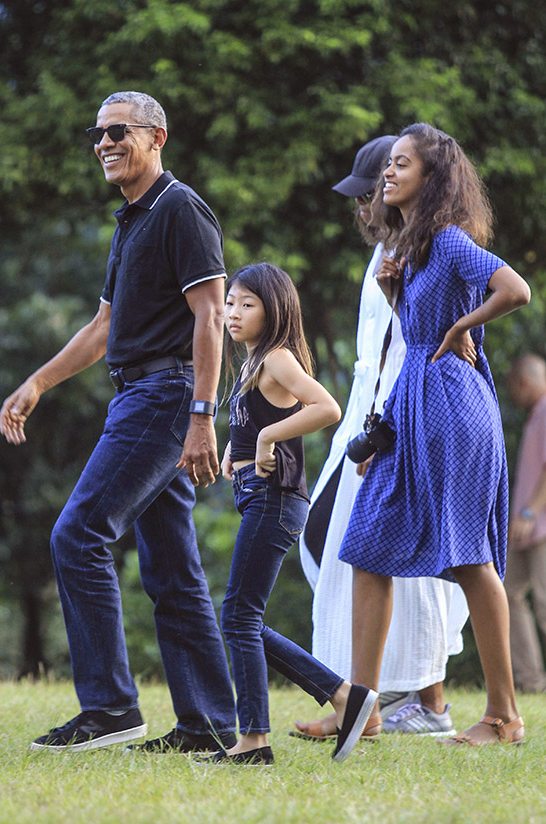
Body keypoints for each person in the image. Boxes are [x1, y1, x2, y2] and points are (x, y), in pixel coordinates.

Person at [0, 90, 237, 753]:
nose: (103, 142)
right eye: (97, 133)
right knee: (173, 569)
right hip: (137, 393)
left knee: (77, 534)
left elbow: (211, 316)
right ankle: (210, 727)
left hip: (164, 397)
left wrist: (201, 417)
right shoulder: (131, 220)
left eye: (117, 131)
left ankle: (108, 709)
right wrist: (38, 382)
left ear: (157, 137)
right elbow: (104, 327)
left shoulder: (180, 209)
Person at [338, 122, 531, 746]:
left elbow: (515, 288)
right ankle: (361, 710)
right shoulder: (416, 248)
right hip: (412, 405)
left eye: (400, 164)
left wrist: (461, 328)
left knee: (470, 558)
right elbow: (422, 329)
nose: (387, 174)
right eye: (387, 165)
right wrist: (401, 299)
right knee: (367, 545)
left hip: (453, 408)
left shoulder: (448, 240)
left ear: (432, 175)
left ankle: (504, 717)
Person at [294, 136, 469, 742]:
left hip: (395, 421)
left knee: (399, 563)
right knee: (335, 553)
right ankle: (365, 699)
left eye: (370, 193)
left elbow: (419, 350)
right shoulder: (389, 254)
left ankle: (414, 704)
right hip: (369, 417)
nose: (363, 207)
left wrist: (389, 433)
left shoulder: (426, 251)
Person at [205, 263, 376, 765]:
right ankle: (343, 696)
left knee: (238, 615)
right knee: (242, 618)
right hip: (261, 498)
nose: (233, 312)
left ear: (273, 309)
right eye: (231, 302)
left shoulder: (277, 358)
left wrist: (264, 438)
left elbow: (327, 408)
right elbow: (259, 418)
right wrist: (233, 453)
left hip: (275, 500)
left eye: (247, 304)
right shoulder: (255, 362)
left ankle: (260, 738)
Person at [505, 353, 546, 693]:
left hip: (539, 523)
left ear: (524, 383)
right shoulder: (535, 415)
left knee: (545, 602)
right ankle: (530, 681)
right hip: (524, 527)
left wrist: (530, 511)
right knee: (508, 593)